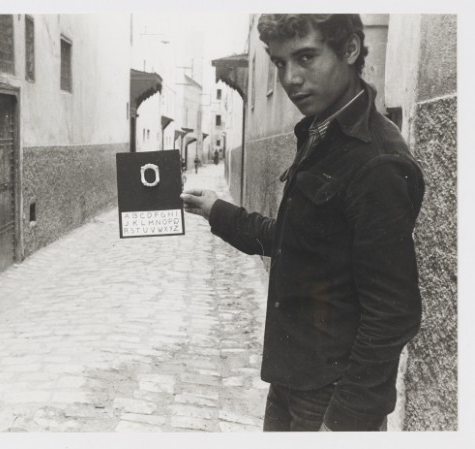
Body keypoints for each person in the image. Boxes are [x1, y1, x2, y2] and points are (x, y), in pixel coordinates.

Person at [181, 14, 424, 432]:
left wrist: (346, 422)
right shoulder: (321, 133)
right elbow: (296, 242)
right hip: (291, 377)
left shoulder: (375, 160)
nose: (291, 78)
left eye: (306, 57)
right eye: (279, 63)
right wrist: (216, 211)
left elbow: (394, 312)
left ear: (349, 50)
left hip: (331, 399)